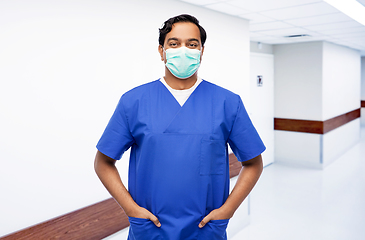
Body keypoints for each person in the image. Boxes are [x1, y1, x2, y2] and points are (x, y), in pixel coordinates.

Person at [94, 14, 265, 240]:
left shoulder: (227, 102)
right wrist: (130, 209)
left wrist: (228, 210)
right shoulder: (134, 101)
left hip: (205, 229)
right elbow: (103, 162)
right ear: (161, 51)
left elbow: (253, 163)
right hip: (150, 230)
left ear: (202, 51)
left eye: (192, 44)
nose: (183, 50)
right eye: (174, 43)